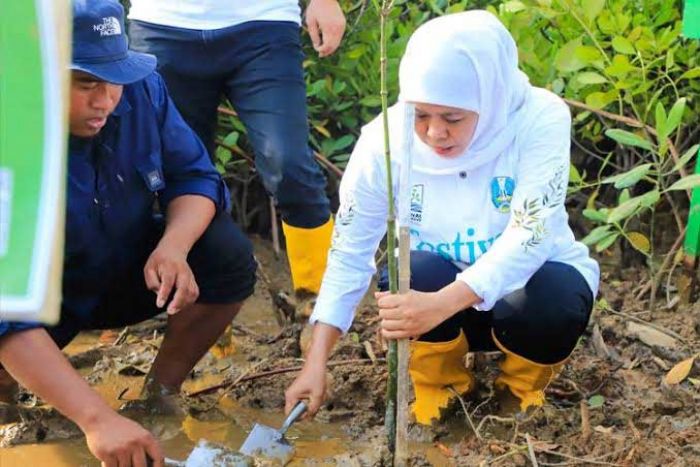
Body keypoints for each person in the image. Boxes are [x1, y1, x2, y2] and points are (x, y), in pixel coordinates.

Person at [284, 10, 600, 425]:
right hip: (432, 302)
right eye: (421, 116)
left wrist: (441, 304)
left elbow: (531, 234)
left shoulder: (539, 118)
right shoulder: (384, 140)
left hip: (519, 296)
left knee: (558, 293)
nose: (434, 133)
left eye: (453, 118)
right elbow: (350, 250)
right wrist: (316, 360)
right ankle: (441, 389)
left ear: (491, 100)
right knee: (410, 271)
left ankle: (519, 393)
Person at [0, 1, 256, 464]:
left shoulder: (142, 90)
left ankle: (158, 396)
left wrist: (173, 247)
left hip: (118, 271)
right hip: (34, 300)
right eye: (85, 83)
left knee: (225, 252)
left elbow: (196, 177)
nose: (105, 100)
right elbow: (7, 311)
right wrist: (96, 420)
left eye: (114, 78)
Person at [126, 0, 346, 298]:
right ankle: (208, 326)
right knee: (178, 184)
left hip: (264, 23)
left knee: (288, 164)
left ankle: (321, 310)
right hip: (161, 26)